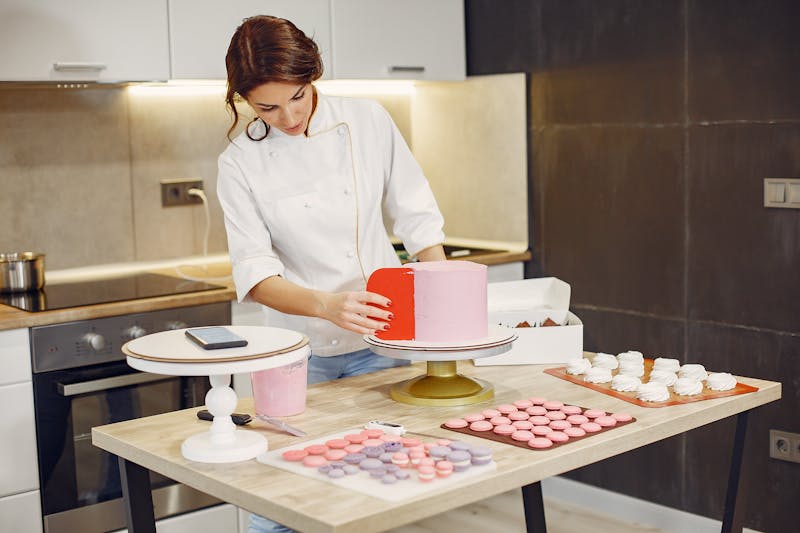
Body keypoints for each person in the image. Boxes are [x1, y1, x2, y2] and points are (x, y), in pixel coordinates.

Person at [217, 15, 446, 533]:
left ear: (313, 75)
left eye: (297, 96)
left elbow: (416, 216)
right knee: (279, 496)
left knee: (377, 485)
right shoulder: (239, 163)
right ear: (245, 101)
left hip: (384, 341)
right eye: (266, 107)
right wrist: (327, 305)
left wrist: (446, 300)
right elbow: (254, 274)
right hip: (296, 353)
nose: (288, 116)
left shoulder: (366, 120)